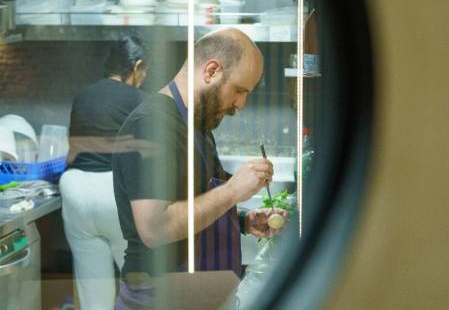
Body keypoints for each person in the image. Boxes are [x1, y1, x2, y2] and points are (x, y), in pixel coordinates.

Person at [112, 28, 288, 309]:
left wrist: (242, 220)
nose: (241, 104)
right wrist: (232, 190)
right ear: (212, 70)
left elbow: (196, 198)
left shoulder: (198, 123)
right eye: (239, 90)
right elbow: (155, 228)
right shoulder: (149, 126)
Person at [59, 35, 149, 310]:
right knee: (141, 290)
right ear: (137, 67)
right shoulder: (141, 99)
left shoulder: (83, 96)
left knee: (92, 293)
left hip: (75, 189)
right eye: (145, 71)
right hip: (115, 193)